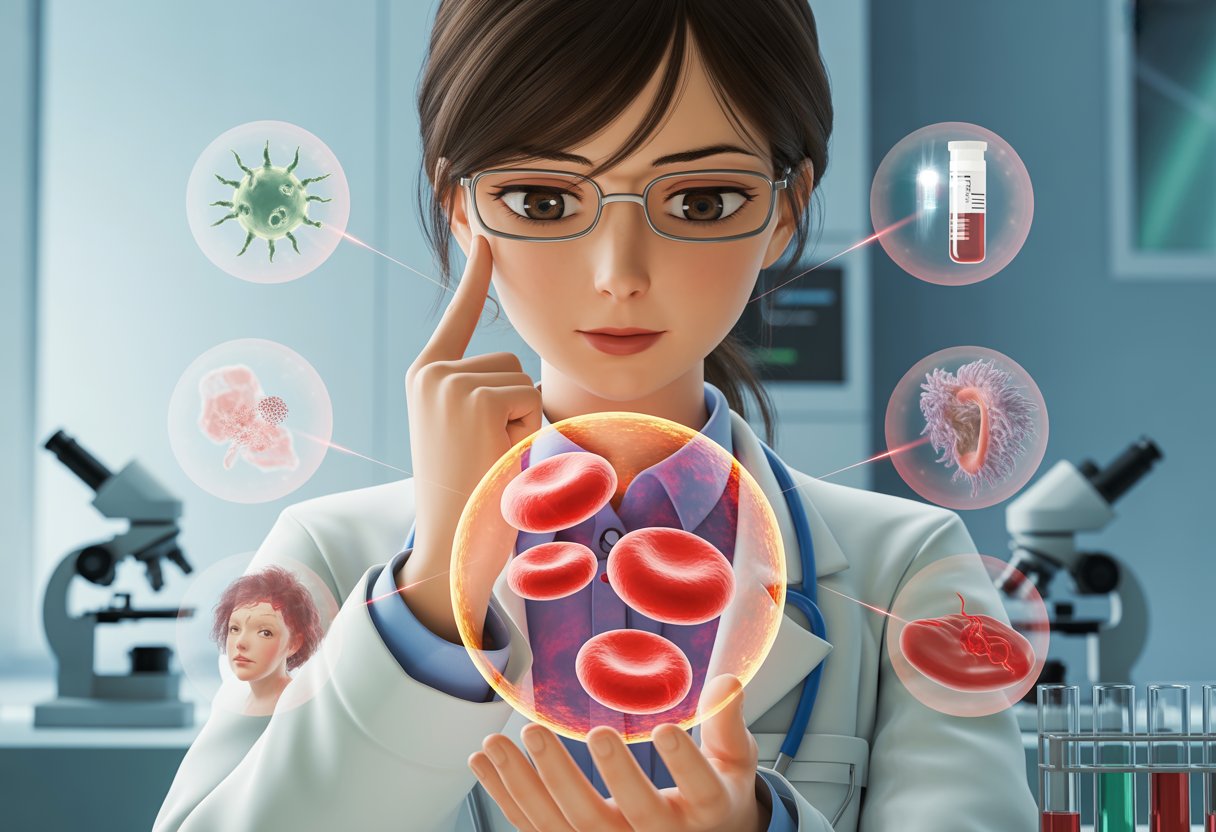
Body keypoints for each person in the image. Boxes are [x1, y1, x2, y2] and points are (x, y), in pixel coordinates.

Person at [155, 1, 1038, 829]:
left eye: (701, 201)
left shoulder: (912, 572)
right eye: (544, 200)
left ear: (786, 209)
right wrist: (433, 596)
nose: (620, 270)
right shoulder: (326, 554)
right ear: (462, 207)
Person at [209, 565, 324, 716]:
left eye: (264, 632)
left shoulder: (295, 709)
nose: (240, 643)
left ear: (294, 643)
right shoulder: (232, 701)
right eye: (234, 629)